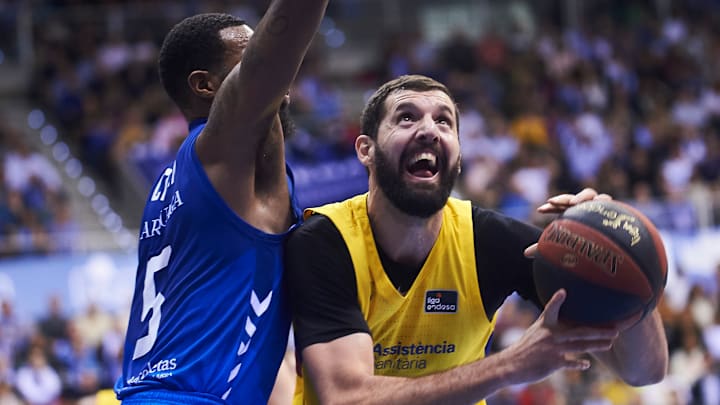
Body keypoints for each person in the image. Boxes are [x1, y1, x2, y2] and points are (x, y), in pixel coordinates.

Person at [285, 74, 669, 404]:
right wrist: (508, 366)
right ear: (365, 150)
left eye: (444, 122)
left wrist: (624, 253)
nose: (429, 130)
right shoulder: (324, 241)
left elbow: (643, 371)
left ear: (458, 156)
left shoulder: (489, 241)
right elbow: (347, 397)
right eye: (406, 118)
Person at [114, 1, 329, 403]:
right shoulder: (217, 158)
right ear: (205, 86)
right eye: (254, 58)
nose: (281, 72)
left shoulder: (182, 180)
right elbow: (286, 35)